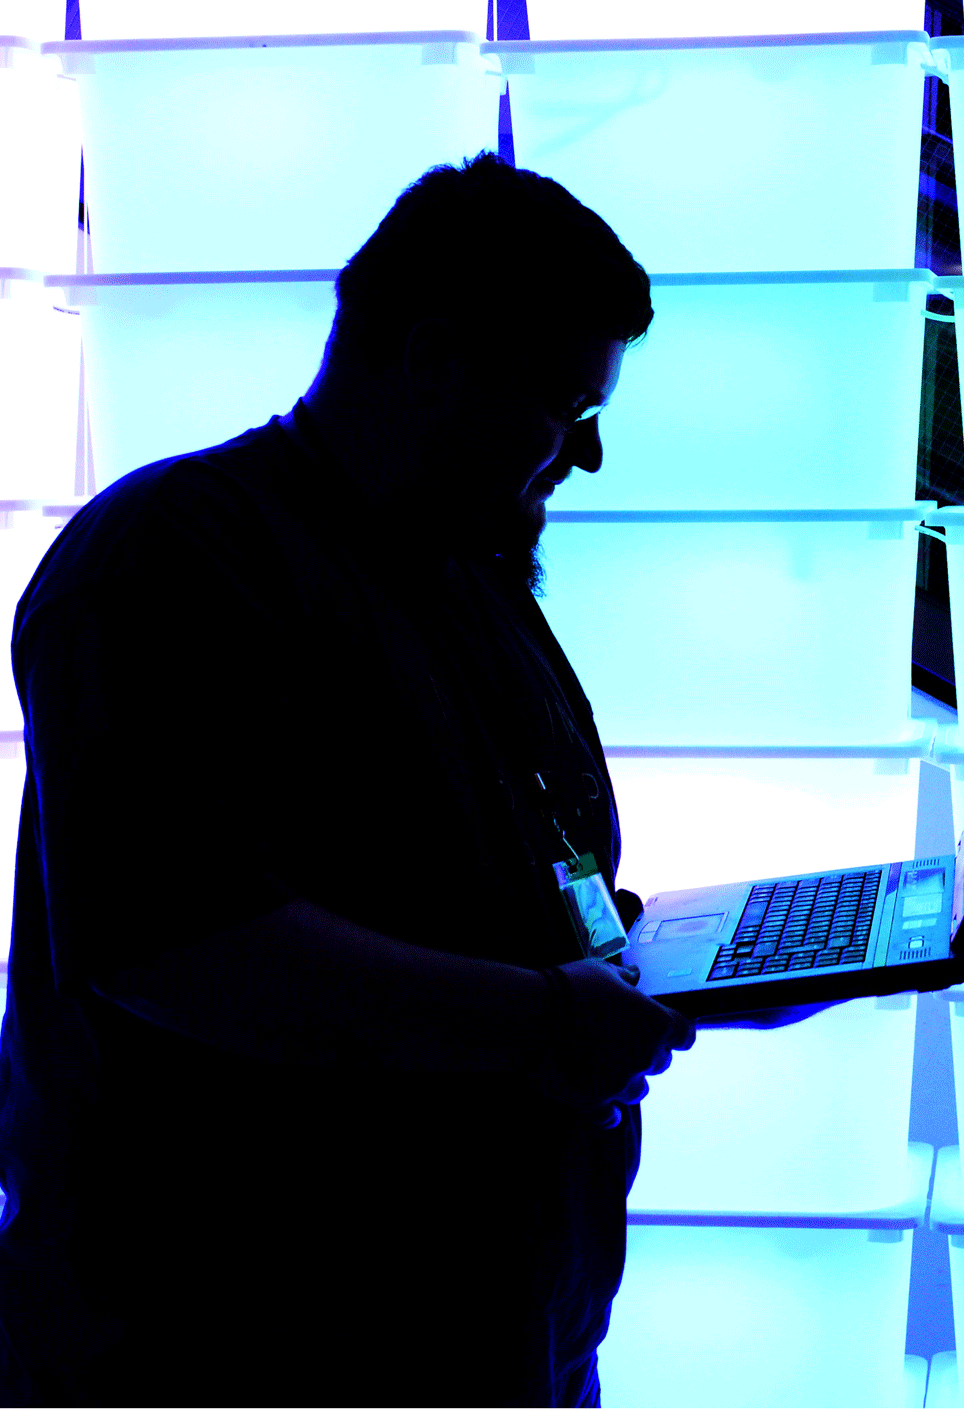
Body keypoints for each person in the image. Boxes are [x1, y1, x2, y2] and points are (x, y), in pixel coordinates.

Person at [1, 154, 728, 1405]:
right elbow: (178, 946)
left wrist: (684, 962)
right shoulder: (170, 563)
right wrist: (552, 1022)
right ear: (434, 359)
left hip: (491, 1331)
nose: (585, 457)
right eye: (565, 403)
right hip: (241, 1348)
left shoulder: (464, 573)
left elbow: (508, 887)